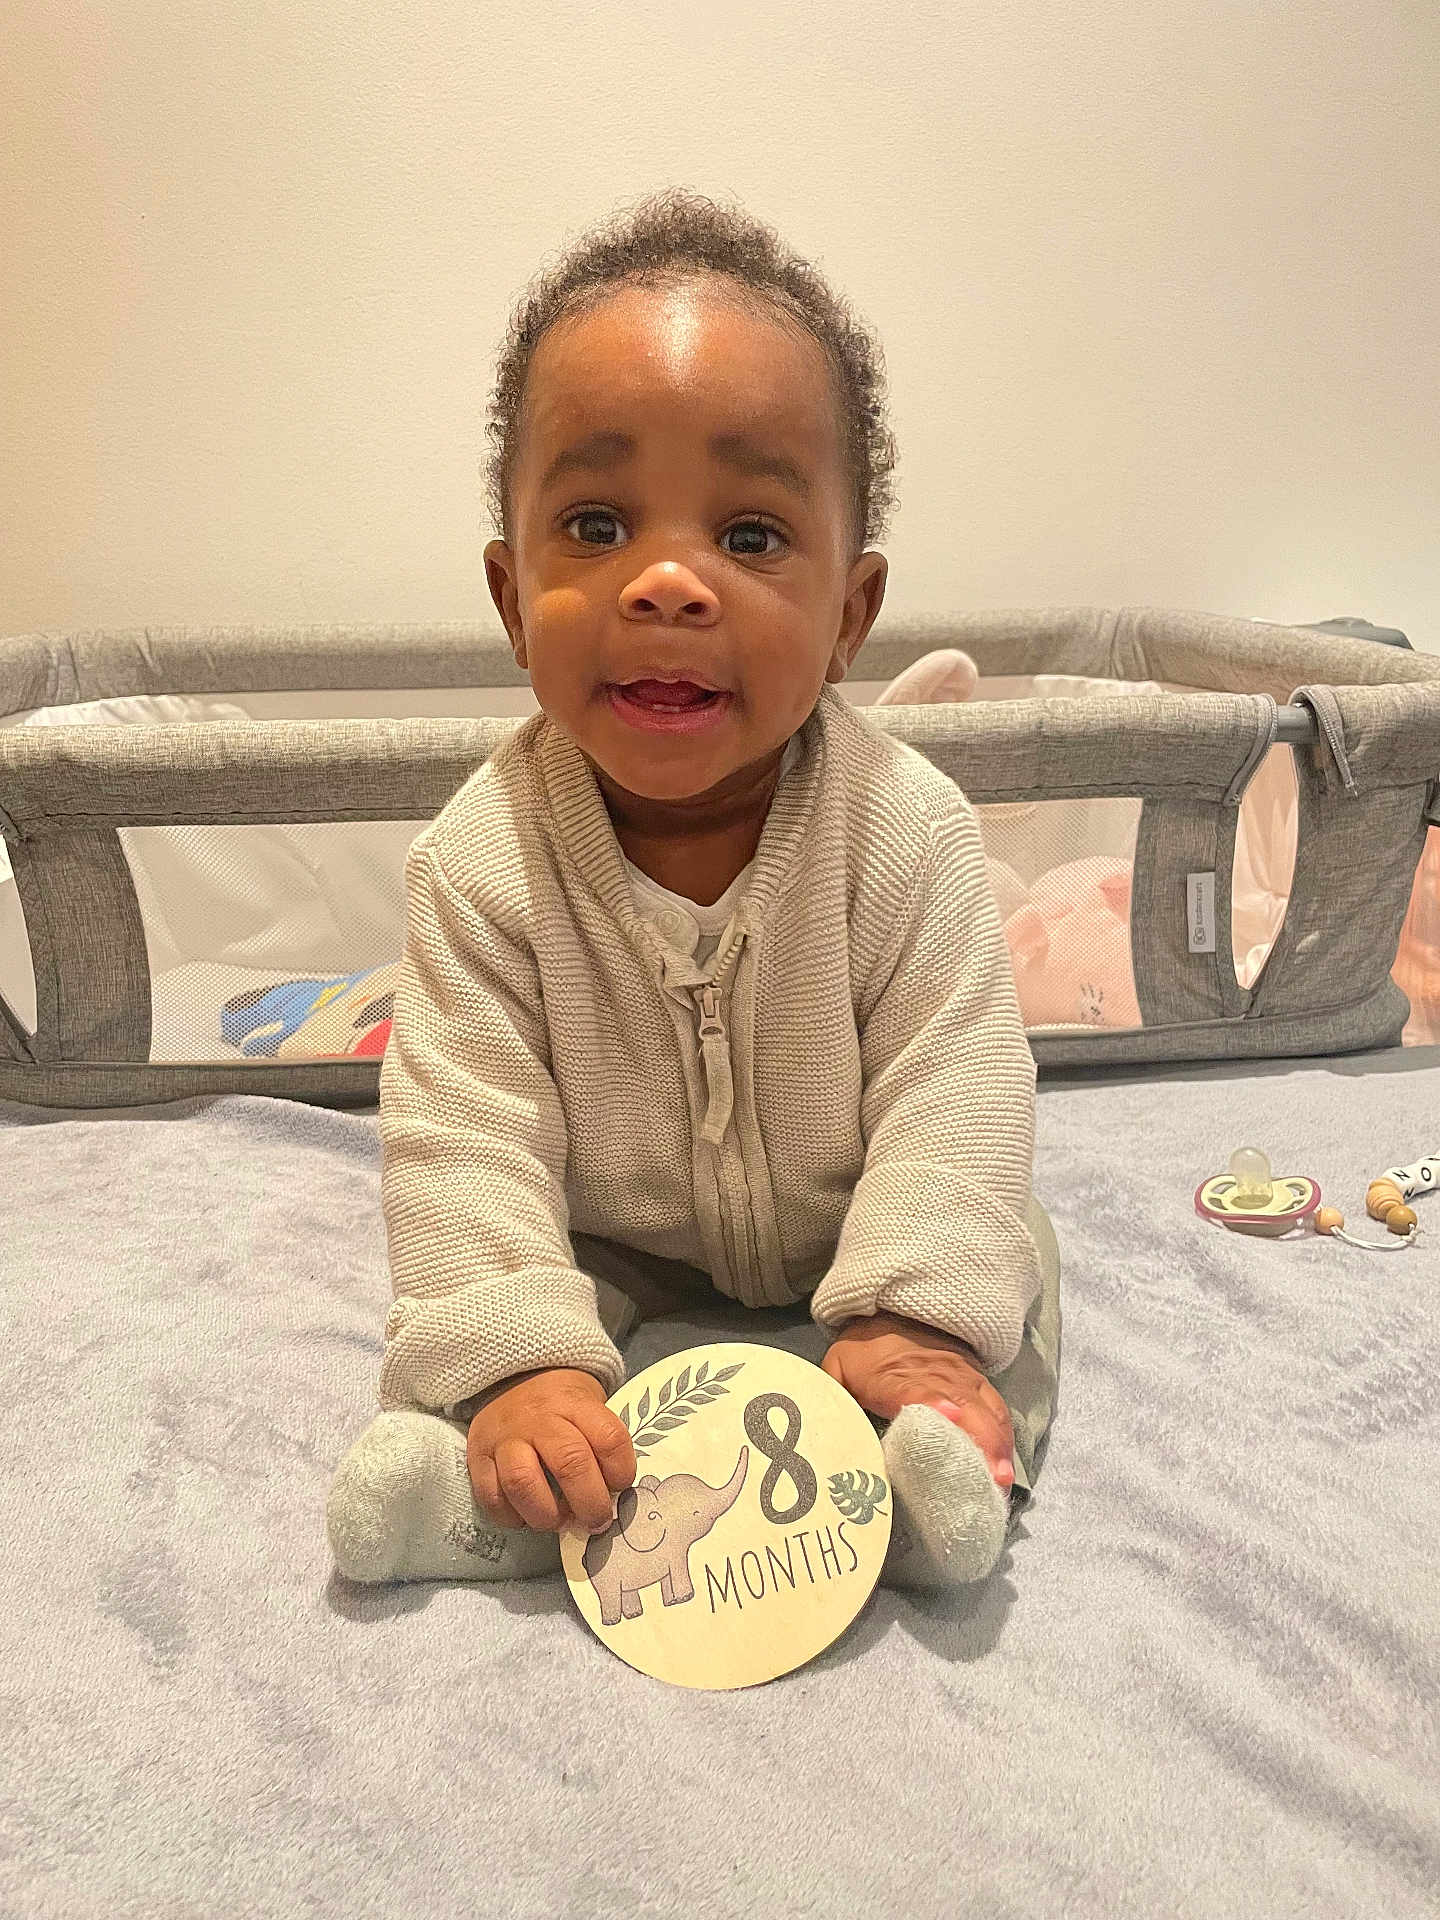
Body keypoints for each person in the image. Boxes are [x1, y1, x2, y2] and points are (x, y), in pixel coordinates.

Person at [326, 187, 1061, 1594]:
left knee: (1006, 1263)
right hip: (624, 1240)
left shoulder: (909, 834)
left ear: (852, 616)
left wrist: (919, 1312)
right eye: (597, 525)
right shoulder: (481, 863)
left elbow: (954, 1089)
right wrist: (524, 1356)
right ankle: (471, 1500)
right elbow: (464, 1136)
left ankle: (931, 1466)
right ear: (507, 594)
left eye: (753, 536)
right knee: (479, 1327)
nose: (667, 583)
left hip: (862, 1223)